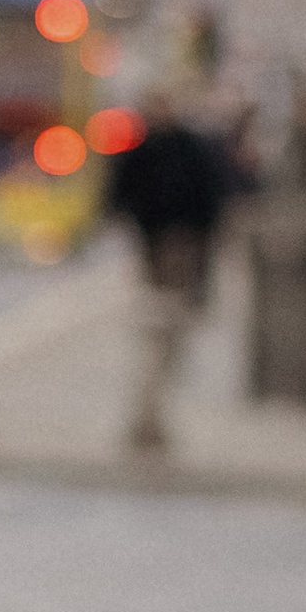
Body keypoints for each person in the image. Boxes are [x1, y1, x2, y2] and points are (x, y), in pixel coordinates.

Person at [104, 91, 230, 457]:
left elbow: (212, 200)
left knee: (167, 340)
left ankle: (151, 419)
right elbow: (120, 197)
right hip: (156, 255)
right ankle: (148, 420)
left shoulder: (190, 149)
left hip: (181, 253)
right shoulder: (145, 152)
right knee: (159, 338)